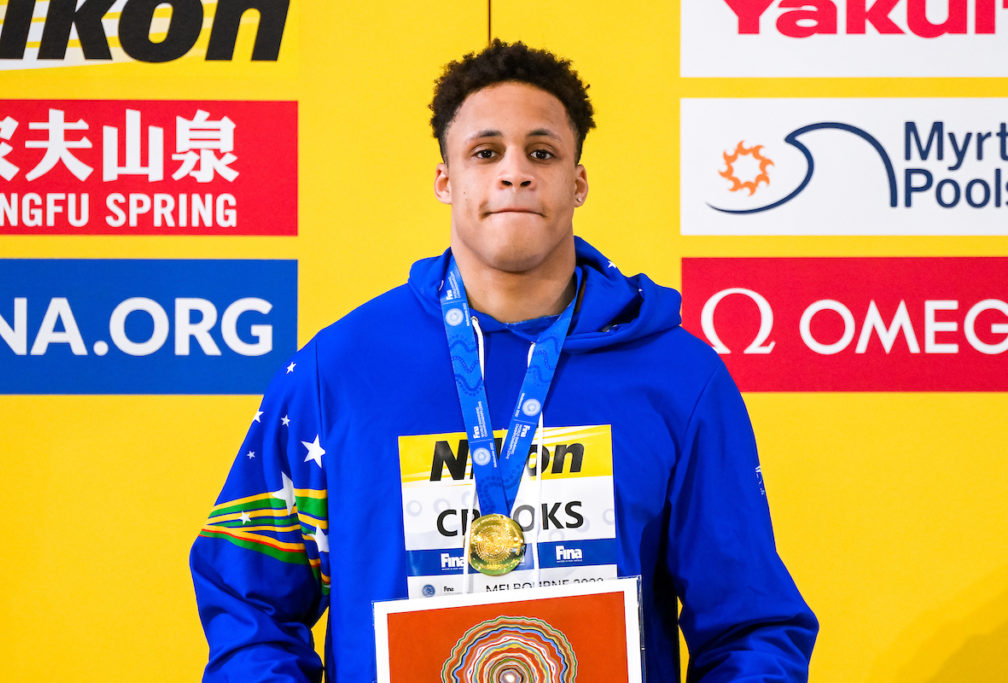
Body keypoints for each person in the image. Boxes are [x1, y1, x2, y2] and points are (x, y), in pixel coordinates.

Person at [190, 40, 818, 682]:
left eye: (540, 153)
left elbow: (751, 624)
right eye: (485, 152)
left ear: (577, 183)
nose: (514, 172)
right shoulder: (337, 371)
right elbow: (249, 600)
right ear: (446, 180)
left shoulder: (679, 376)